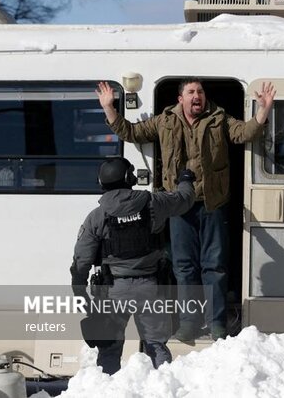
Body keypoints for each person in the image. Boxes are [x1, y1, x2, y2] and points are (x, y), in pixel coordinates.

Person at [96, 79, 276, 342]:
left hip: (212, 204)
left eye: (201, 92)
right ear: (180, 98)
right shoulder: (164, 120)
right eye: (191, 92)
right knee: (183, 267)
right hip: (178, 205)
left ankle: (216, 324)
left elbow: (245, 133)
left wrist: (263, 111)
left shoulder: (219, 118)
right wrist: (109, 108)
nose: (197, 96)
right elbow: (132, 133)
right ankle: (189, 323)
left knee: (214, 266)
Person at [70, 157, 196, 374]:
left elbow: (82, 259)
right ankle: (163, 388)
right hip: (152, 287)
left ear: (102, 182)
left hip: (112, 292)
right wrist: (186, 179)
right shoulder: (154, 202)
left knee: (109, 349)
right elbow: (185, 199)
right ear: (130, 178)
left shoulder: (97, 216)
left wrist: (79, 288)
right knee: (156, 346)